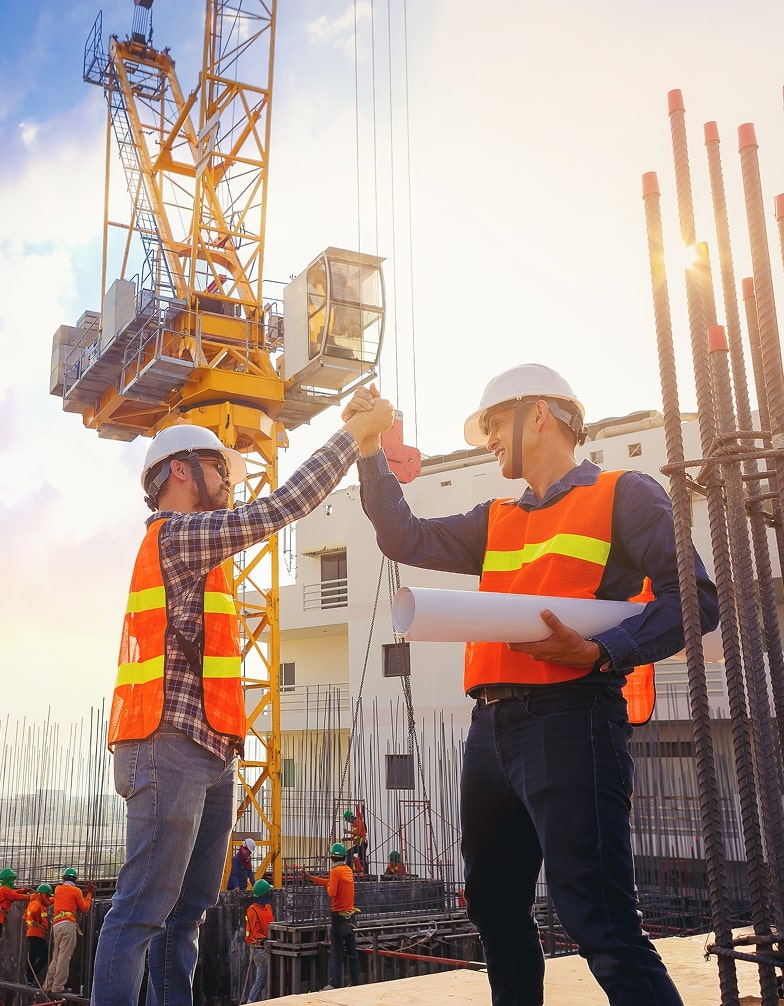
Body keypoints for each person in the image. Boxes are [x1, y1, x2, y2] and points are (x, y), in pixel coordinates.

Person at [347, 365, 720, 1006]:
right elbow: (403, 536)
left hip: (572, 718)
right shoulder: (496, 518)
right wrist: (368, 452)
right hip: (490, 730)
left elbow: (694, 599)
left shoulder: (623, 494)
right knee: (493, 906)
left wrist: (602, 650)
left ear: (539, 414)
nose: (489, 440)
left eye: (494, 424)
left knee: (596, 917)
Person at [90, 398, 393, 1006]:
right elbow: (277, 510)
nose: (230, 481)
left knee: (188, 914)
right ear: (181, 471)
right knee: (143, 910)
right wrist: (348, 437)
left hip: (211, 749)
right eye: (220, 469)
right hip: (165, 745)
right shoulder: (176, 537)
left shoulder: (204, 554)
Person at [304, 843, 360, 990]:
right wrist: (313, 878)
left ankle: (335, 984)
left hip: (338, 919)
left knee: (336, 953)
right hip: (350, 919)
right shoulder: (347, 870)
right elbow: (330, 883)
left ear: (331, 857)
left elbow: (331, 892)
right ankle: (356, 982)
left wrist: (328, 885)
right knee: (352, 953)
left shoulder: (335, 872)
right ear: (343, 857)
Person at [43, 868, 94, 995]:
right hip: (68, 924)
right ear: (75, 880)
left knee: (56, 956)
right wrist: (89, 893)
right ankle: (58, 987)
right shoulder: (76, 891)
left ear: (63, 879)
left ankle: (48, 985)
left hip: (57, 925)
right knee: (64, 957)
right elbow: (85, 908)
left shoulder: (58, 889)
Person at [242, 878, 275, 1003]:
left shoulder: (268, 907)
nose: (270, 893)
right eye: (268, 892)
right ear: (263, 894)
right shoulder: (252, 910)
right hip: (259, 949)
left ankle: (254, 1001)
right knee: (263, 977)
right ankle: (251, 1002)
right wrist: (268, 939)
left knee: (264, 978)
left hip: (268, 946)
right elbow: (256, 933)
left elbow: (271, 924)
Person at [24, 884, 54, 988]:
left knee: (35, 956)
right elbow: (33, 912)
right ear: (41, 894)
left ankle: (30, 978)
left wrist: (57, 897)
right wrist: (36, 920)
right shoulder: (36, 903)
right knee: (42, 956)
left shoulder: (40, 902)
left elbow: (48, 902)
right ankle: (30, 978)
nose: (48, 898)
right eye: (47, 895)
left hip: (36, 934)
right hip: (35, 933)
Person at [0, 868, 30, 939]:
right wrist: (31, 896)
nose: (13, 882)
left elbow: (13, 892)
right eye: (11, 880)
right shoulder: (5, 889)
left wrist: (24, 890)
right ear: (7, 880)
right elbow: (16, 896)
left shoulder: (3, 889)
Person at [343, 807, 368, 873]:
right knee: (362, 859)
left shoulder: (358, 822)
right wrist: (347, 839)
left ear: (350, 817)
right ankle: (365, 873)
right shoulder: (355, 824)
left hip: (362, 844)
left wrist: (348, 832)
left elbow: (358, 833)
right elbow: (355, 836)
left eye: (348, 820)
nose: (348, 822)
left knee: (348, 853)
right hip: (360, 844)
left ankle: (349, 870)